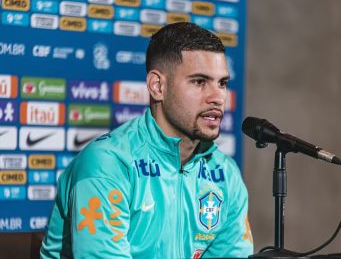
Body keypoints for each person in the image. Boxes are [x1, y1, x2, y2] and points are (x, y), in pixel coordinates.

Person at [40, 22, 253, 258]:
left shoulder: (225, 173)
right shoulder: (108, 163)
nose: (218, 97)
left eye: (222, 83)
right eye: (199, 82)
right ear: (157, 86)